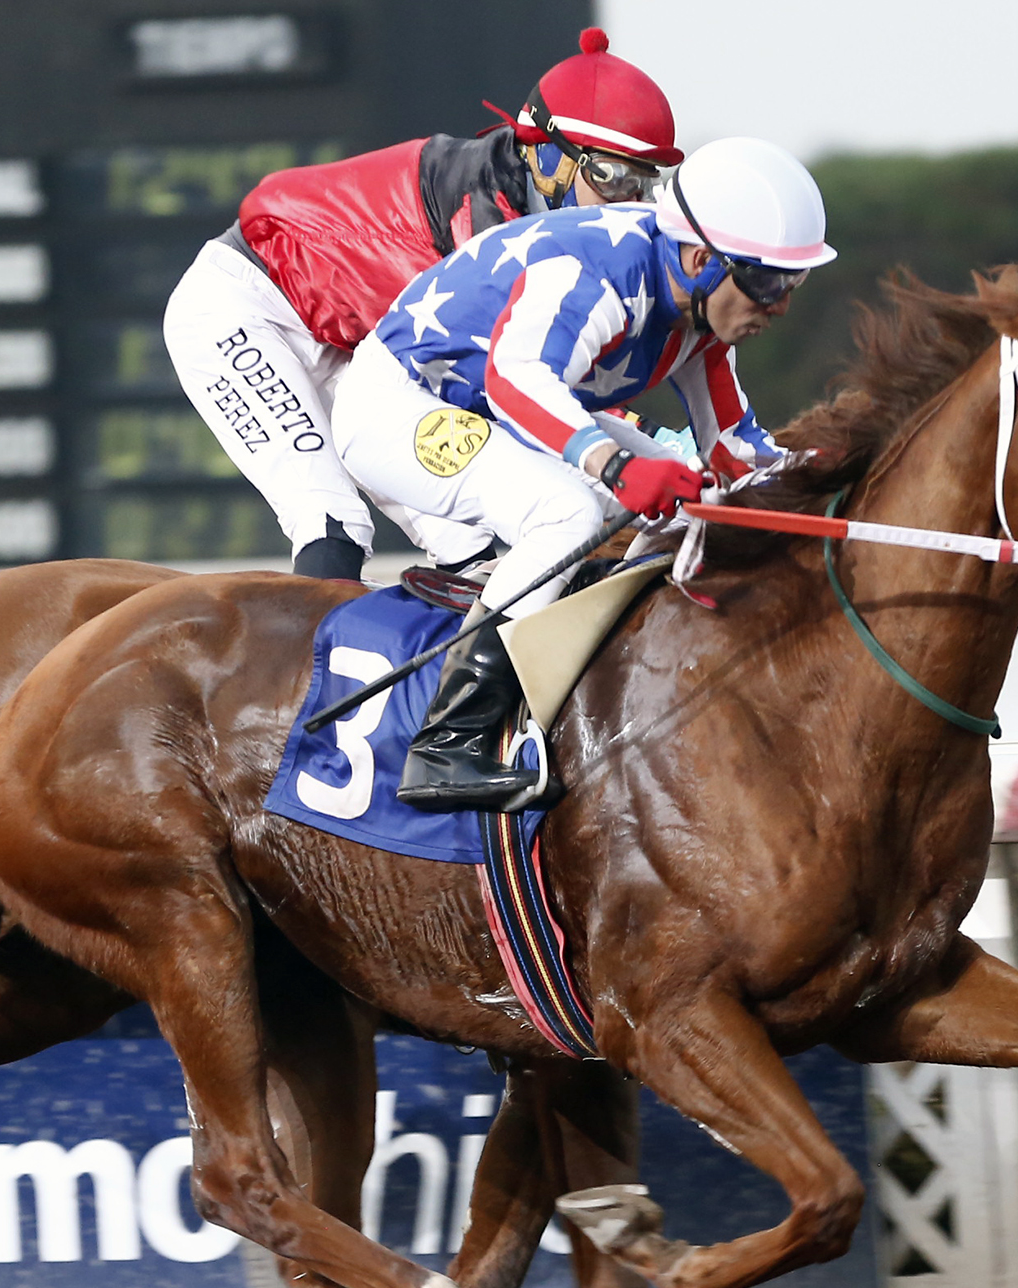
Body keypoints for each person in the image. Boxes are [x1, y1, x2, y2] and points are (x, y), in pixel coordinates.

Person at [329, 137, 836, 811]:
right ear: (701, 260)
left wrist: (836, 481)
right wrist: (615, 466)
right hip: (399, 407)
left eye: (794, 285)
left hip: (490, 404)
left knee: (689, 492)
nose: (780, 307)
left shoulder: (702, 308)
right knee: (568, 512)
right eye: (769, 284)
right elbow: (515, 380)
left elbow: (740, 452)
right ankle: (449, 743)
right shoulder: (596, 273)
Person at [161, 29, 683, 582]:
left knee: (465, 538)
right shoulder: (479, 216)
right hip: (243, 307)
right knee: (332, 520)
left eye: (644, 183)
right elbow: (520, 384)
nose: (630, 203)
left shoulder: (540, 214)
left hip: (354, 342)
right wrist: (648, 440)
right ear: (548, 155)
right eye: (613, 177)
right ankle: (306, 641)